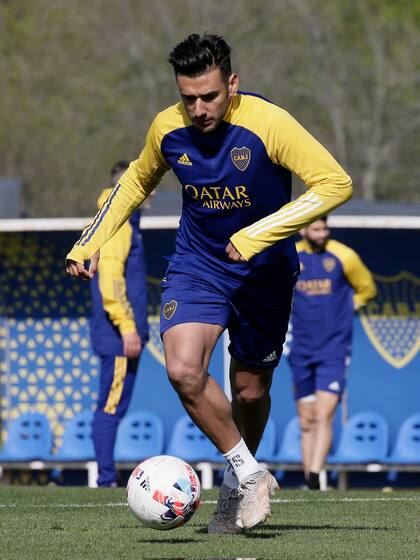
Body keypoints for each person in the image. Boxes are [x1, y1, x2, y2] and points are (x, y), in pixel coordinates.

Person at [66, 33, 352, 531]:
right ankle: (250, 473)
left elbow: (335, 183)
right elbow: (135, 180)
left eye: (209, 96)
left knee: (249, 389)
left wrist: (259, 234)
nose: (198, 108)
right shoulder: (167, 128)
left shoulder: (268, 123)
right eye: (188, 98)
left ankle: (233, 490)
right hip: (199, 265)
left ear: (232, 84)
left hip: (265, 273)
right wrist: (89, 241)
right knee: (182, 370)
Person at [287, 217, 376, 490]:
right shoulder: (292, 256)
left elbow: (367, 288)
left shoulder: (344, 255)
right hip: (300, 348)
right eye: (316, 229)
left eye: (325, 228)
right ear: (303, 230)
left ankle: (315, 476)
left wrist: (348, 307)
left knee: (324, 415)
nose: (322, 233)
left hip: (333, 349)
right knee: (306, 419)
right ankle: (307, 477)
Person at [90, 161, 149, 487]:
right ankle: (106, 480)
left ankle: (106, 477)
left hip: (118, 333)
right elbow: (110, 279)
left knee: (113, 406)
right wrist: (127, 327)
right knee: (110, 407)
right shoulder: (119, 223)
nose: (152, 189)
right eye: (146, 181)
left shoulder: (124, 221)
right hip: (116, 335)